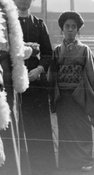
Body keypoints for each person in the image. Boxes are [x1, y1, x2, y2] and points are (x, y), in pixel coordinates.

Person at [48, 11, 94, 172]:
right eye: (67, 26)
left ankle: (86, 160)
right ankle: (67, 162)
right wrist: (50, 95)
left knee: (82, 128)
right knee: (65, 130)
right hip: (62, 96)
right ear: (62, 29)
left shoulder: (84, 50)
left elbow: (92, 72)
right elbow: (51, 75)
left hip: (80, 95)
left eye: (74, 27)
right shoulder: (57, 51)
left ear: (78, 30)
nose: (70, 30)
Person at [13, 0, 56, 174]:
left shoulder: (39, 24)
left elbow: (48, 53)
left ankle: (43, 169)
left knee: (39, 127)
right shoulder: (6, 24)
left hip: (36, 85)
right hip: (13, 85)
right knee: (16, 128)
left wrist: (38, 70)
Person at [0, 0, 33, 174]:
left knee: (9, 124)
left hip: (8, 77)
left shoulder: (7, 8)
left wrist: (27, 50)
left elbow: (13, 48)